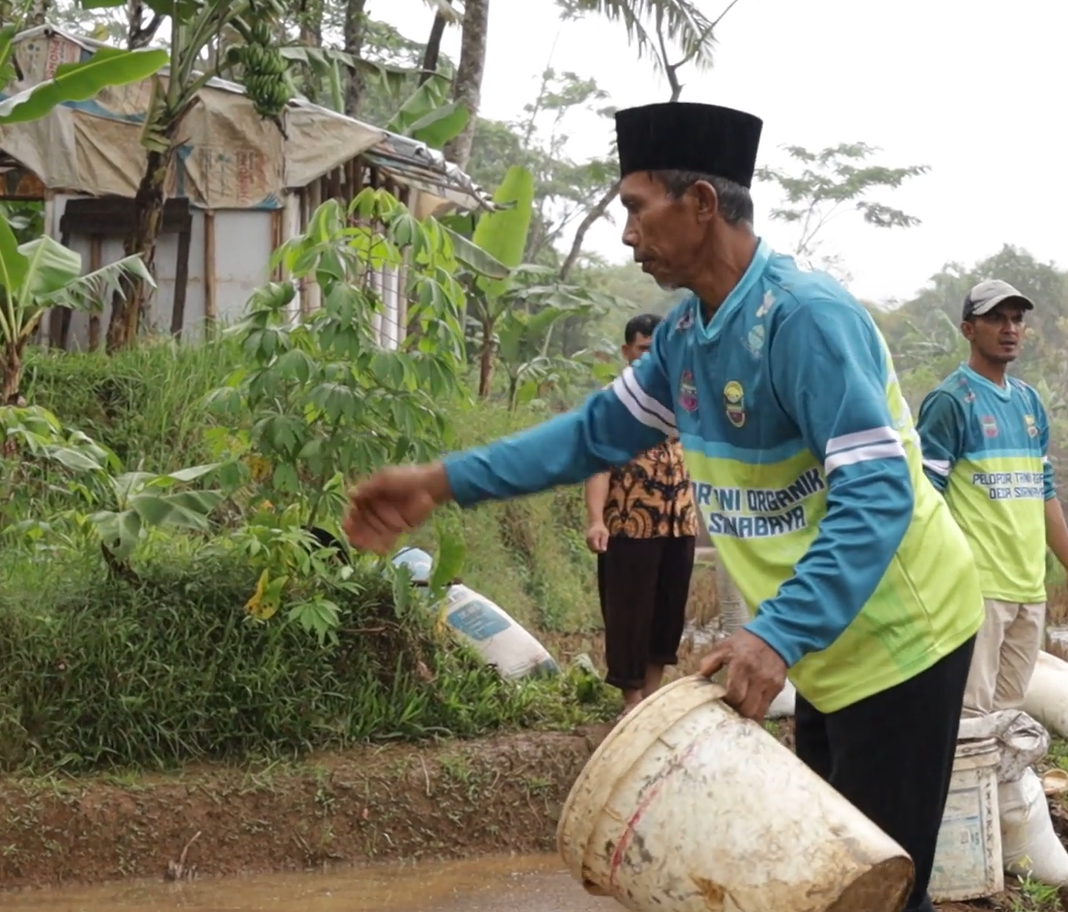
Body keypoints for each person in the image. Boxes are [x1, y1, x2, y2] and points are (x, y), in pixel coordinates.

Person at [342, 100, 983, 912]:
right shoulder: (687, 337)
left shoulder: (805, 320)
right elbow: (591, 436)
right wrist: (441, 481)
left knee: (878, 890)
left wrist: (776, 633)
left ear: (702, 205)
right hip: (829, 645)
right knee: (835, 879)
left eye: (636, 209)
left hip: (903, 633)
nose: (626, 234)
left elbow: (878, 494)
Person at [917, 279, 1068, 728]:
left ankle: (999, 799)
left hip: (1027, 586)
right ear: (968, 328)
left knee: (1008, 712)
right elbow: (924, 499)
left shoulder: (1028, 402)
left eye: (1016, 319)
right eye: (995, 318)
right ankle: (959, 799)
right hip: (977, 586)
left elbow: (1044, 491)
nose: (1009, 328)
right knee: (969, 715)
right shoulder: (950, 401)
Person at [584, 313, 699, 715]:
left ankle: (651, 698)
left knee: (668, 613)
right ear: (627, 351)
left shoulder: (684, 399)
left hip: (680, 522)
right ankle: (631, 701)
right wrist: (597, 520)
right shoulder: (611, 402)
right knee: (629, 614)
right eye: (644, 350)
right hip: (630, 524)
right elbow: (597, 465)